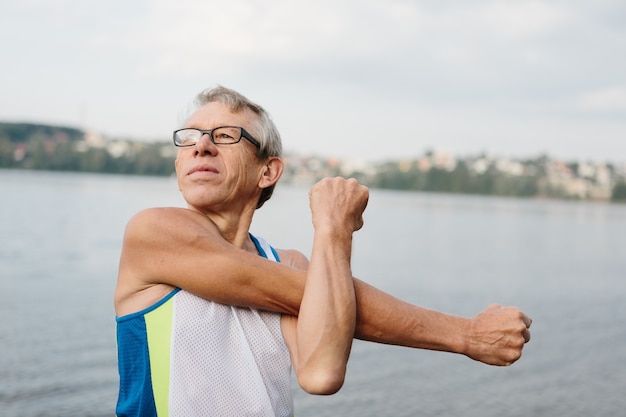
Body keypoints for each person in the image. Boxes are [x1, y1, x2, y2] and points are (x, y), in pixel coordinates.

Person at [114, 86, 532, 417]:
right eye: (189, 138)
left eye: (225, 136)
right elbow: (307, 294)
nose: (201, 146)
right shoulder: (154, 231)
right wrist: (467, 335)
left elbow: (320, 373)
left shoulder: (289, 264)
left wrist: (332, 231)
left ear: (268, 171)